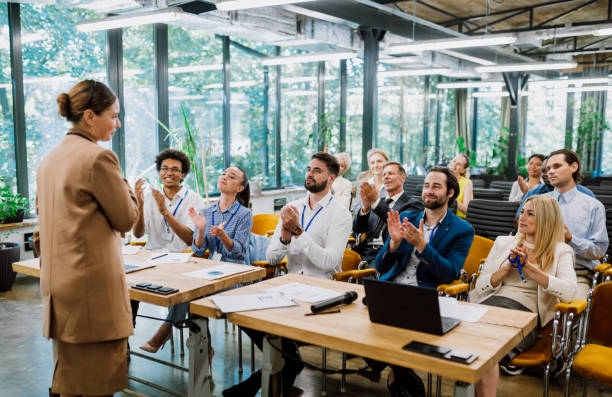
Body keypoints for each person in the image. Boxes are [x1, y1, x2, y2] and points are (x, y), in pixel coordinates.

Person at [36, 80, 139, 396]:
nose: (117, 123)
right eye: (113, 115)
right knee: (96, 383)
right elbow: (126, 219)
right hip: (92, 294)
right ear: (90, 116)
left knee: (68, 375)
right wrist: (128, 188)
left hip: (60, 289)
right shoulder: (98, 158)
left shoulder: (49, 160)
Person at [224, 152, 352, 397]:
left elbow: (329, 263)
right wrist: (284, 236)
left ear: (332, 178)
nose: (309, 174)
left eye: (317, 170)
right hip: (288, 287)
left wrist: (297, 231)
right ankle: (290, 362)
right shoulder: (293, 208)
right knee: (239, 312)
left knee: (279, 340)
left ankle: (272, 376)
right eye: (308, 169)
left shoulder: (341, 214)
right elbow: (272, 258)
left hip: (321, 290)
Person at [373, 167, 474, 396]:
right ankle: (401, 373)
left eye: (436, 186)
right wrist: (394, 244)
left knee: (390, 326)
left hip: (424, 295)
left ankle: (395, 372)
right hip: (390, 290)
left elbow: (450, 273)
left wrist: (422, 246)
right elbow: (380, 266)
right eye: (427, 186)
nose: (429, 191)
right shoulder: (409, 219)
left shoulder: (462, 230)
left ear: (450, 193)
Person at [470, 195, 577, 396]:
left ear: (545, 219)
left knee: (483, 352)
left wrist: (530, 268)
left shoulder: (561, 251)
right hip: (490, 304)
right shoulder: (503, 242)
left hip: (525, 317)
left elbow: (569, 292)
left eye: (530, 214)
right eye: (522, 212)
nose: (522, 217)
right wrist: (506, 269)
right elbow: (480, 287)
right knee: (478, 350)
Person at [140, 166, 252, 353]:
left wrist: (224, 237)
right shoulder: (207, 212)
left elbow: (239, 253)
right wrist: (200, 231)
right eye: (223, 173)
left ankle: (168, 329)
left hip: (234, 274)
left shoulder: (244, 214)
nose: (224, 177)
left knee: (191, 293)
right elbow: (198, 251)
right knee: (189, 291)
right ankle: (202, 347)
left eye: (231, 177)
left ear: (240, 188)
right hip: (209, 271)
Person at [544, 149, 607, 301]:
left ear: (573, 167)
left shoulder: (593, 206)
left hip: (576, 274)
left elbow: (598, 251)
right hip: (541, 270)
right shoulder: (540, 202)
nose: (550, 172)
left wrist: (571, 239)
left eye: (557, 166)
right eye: (548, 169)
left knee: (571, 312)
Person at [132, 149, 205, 252]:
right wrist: (140, 205)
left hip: (181, 257)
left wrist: (165, 212)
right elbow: (138, 234)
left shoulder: (195, 199)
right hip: (152, 256)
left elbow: (189, 239)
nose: (169, 173)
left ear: (183, 174)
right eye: (165, 168)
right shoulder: (148, 197)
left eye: (175, 169)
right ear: (159, 172)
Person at [353, 162, 423, 264]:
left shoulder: (413, 204)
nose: (386, 177)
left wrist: (375, 202)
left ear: (403, 178)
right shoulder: (377, 201)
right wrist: (366, 209)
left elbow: (399, 225)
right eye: (384, 175)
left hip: (386, 254)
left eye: (390, 174)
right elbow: (358, 229)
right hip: (364, 251)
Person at [516, 156, 596, 217]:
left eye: (556, 168)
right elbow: (518, 220)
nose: (548, 173)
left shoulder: (587, 195)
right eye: (544, 171)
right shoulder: (534, 193)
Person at [352, 148, 390, 214]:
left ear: (387, 162)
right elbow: (356, 210)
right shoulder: (362, 184)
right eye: (372, 163)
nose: (376, 165)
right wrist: (365, 208)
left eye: (379, 161)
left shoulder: (392, 184)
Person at [449, 153, 473, 218]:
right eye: (454, 161)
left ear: (463, 170)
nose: (455, 164)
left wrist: (451, 197)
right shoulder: (441, 178)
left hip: (458, 218)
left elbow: (466, 210)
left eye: (459, 164)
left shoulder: (467, 183)